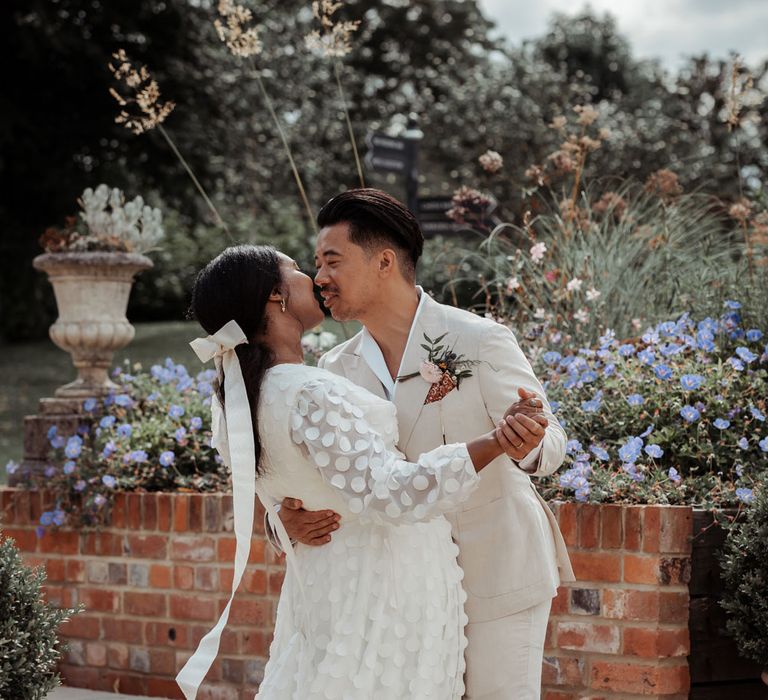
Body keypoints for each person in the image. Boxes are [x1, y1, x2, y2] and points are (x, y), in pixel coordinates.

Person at [176, 244, 527, 699]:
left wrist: (282, 522)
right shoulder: (311, 392)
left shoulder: (234, 402)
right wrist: (495, 441)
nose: (314, 278)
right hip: (383, 590)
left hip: (323, 586)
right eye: (298, 269)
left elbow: (286, 493)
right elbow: (389, 493)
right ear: (274, 298)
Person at [276, 188, 575, 699]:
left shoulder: (479, 339)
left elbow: (551, 448)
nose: (319, 278)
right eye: (315, 264)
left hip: (493, 569)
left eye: (332, 261)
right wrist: (283, 523)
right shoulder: (334, 369)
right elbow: (320, 479)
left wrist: (525, 439)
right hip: (402, 593)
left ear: (385, 262)